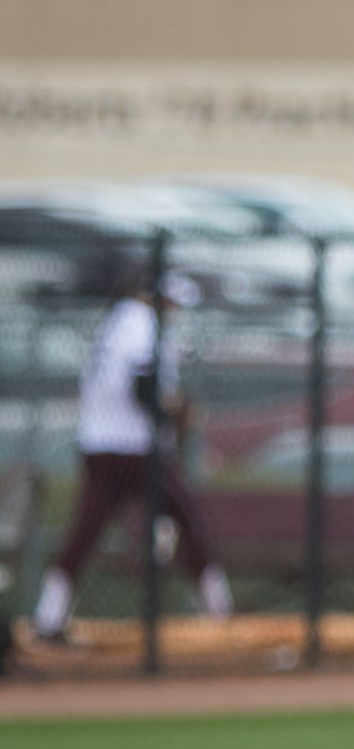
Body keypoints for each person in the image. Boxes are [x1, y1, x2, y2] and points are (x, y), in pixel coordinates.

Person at [30, 272, 229, 642]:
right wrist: (175, 412)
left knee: (83, 535)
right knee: (190, 518)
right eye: (171, 303)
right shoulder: (140, 323)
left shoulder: (116, 321)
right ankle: (220, 614)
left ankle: (49, 618)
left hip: (101, 445)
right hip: (137, 449)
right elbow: (144, 387)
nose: (174, 311)